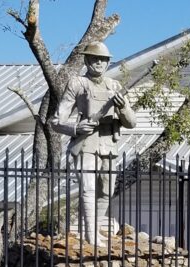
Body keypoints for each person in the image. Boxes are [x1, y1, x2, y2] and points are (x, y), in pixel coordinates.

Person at [51, 40, 137, 246]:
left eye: (103, 59)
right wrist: (75, 129)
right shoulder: (77, 84)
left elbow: (131, 122)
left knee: (106, 191)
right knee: (88, 189)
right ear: (87, 60)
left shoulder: (114, 86)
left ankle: (95, 231)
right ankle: (90, 234)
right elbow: (56, 121)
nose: (99, 63)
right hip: (86, 144)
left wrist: (123, 107)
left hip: (108, 145)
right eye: (95, 58)